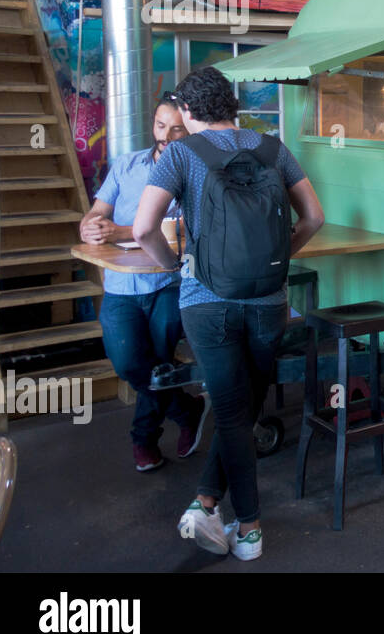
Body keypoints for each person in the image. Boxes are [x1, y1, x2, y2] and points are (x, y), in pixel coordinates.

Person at [133, 67, 325, 562]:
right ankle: (205, 502)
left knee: (234, 413)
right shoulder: (272, 148)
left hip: (206, 302)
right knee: (243, 407)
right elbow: (314, 218)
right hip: (268, 301)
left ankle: (252, 527)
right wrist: (282, 257)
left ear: (189, 113)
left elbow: (143, 229)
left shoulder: (179, 154)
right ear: (233, 107)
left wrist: (176, 268)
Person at [80, 94, 208, 472]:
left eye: (176, 128)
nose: (166, 135)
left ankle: (143, 440)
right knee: (129, 363)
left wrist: (119, 230)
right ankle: (187, 410)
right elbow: (98, 210)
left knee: (158, 363)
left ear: (191, 129)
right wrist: (90, 226)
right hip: (120, 285)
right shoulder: (127, 164)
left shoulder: (196, 171)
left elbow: (183, 229)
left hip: (169, 280)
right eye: (159, 126)